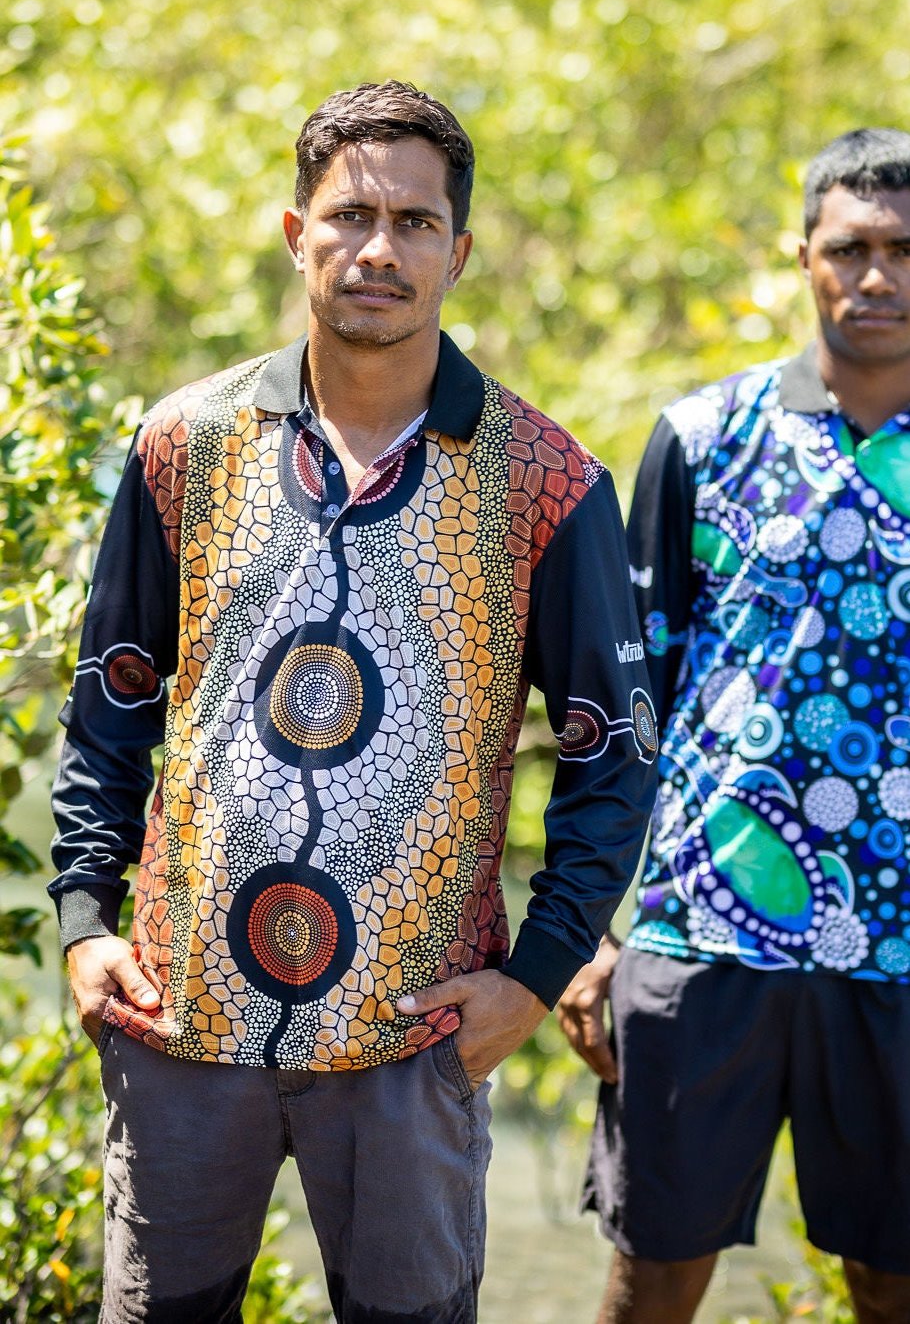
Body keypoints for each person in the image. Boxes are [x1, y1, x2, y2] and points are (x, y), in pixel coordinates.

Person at [49, 79, 658, 1323]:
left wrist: (534, 978)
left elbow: (614, 753)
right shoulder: (186, 441)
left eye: (416, 223)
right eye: (350, 215)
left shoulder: (549, 481)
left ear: (460, 251)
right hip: (179, 1020)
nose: (379, 248)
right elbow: (111, 698)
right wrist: (80, 918)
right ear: (296, 234)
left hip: (409, 1033)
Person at [558, 126, 910, 1324]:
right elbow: (628, 697)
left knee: (893, 1275)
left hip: (901, 947)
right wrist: (596, 930)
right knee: (653, 1269)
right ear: (800, 257)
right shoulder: (702, 438)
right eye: (850, 248)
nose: (877, 277)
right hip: (702, 931)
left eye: (904, 251)